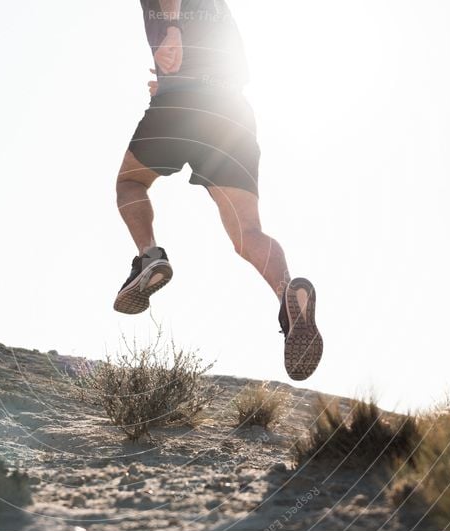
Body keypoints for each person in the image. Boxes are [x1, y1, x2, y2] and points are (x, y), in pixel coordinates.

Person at [113, 0, 322, 381]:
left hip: (182, 106)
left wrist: (173, 31)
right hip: (232, 111)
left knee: (130, 182)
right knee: (247, 234)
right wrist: (171, 77)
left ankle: (149, 257)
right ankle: (289, 293)